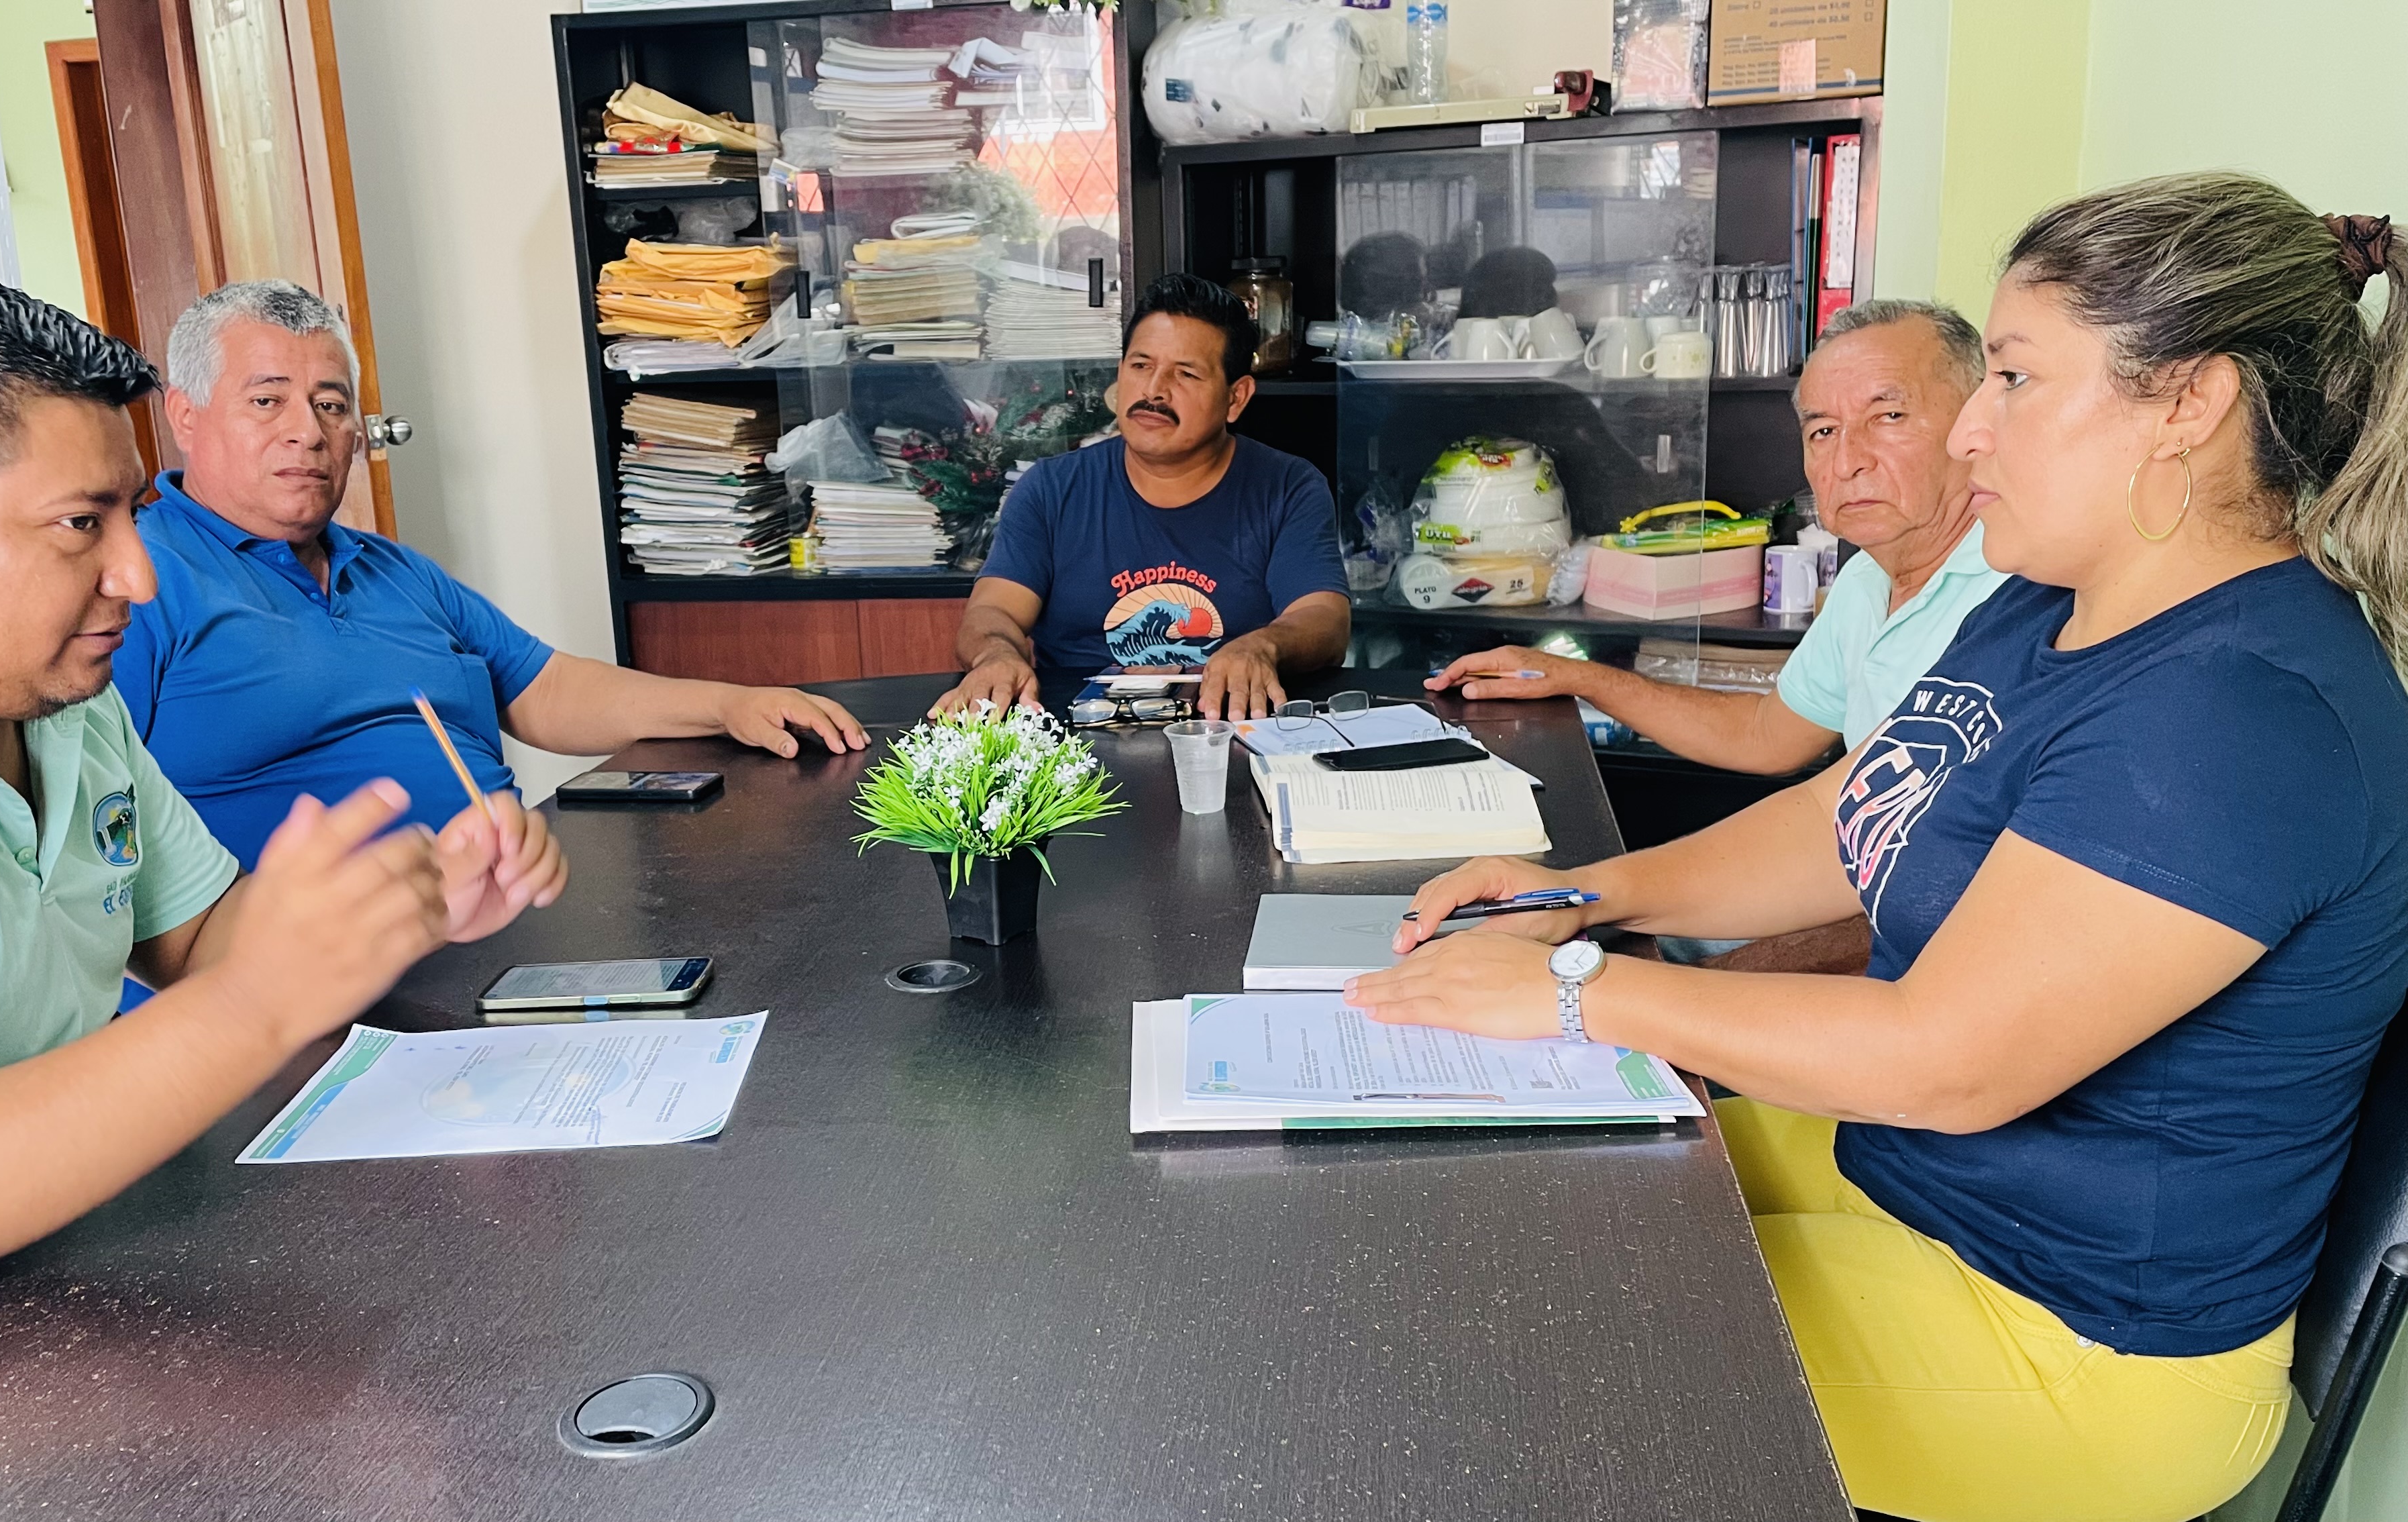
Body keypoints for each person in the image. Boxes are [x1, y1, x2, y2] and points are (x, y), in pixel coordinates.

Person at [1349, 174, 2408, 1522]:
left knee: (1526, 1350)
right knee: (1510, 1188)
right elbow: (1853, 815)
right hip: (1920, 1183)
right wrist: (1578, 895)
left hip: (2076, 1344)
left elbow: (1945, 1059)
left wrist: (1576, 988)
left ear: (2188, 403)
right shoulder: (2047, 603)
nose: (1970, 430)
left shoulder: (2245, 710)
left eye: (2013, 377)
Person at [0, 276, 565, 1327]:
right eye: (81, 524)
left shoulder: (54, 696)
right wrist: (255, 1006)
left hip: (40, 1268)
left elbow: (196, 939)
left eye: (131, 515)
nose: (138, 577)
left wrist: (402, 900)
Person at [116, 281, 867, 868]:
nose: (308, 432)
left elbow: (546, 689)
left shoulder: (390, 569)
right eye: (267, 400)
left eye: (331, 404)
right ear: (186, 417)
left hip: (501, 919)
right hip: (315, 979)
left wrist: (733, 704)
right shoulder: (137, 583)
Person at [1429, 300, 2009, 776]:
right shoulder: (1866, 580)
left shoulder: (2015, 594)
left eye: (1889, 417)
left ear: (1978, 423)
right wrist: (1572, 676)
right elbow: (1766, 735)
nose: (1847, 461)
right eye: (1824, 431)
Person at [933, 272, 1350, 719]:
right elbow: (993, 610)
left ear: (1235, 398)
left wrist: (1262, 647)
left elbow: (1324, 619)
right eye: (1140, 366)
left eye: (1185, 374)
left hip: (1226, 725)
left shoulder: (1287, 487)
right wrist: (996, 654)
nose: (1154, 390)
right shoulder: (1051, 489)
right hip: (1075, 732)